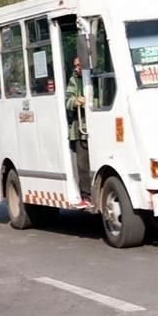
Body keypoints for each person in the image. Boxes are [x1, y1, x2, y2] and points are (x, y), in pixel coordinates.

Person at [66, 56, 93, 205]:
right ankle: (86, 196)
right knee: (82, 165)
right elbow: (67, 100)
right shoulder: (73, 80)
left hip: (97, 126)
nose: (77, 68)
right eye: (75, 66)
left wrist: (90, 100)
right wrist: (76, 101)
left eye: (79, 65)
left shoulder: (96, 78)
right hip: (79, 129)